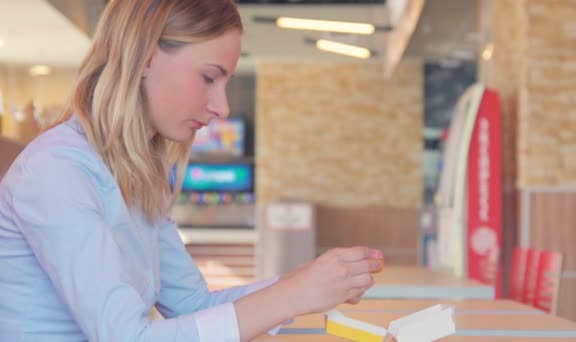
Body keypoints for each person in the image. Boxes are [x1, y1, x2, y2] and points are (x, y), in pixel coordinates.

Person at [0, 0, 384, 341]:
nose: (223, 108)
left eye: (226, 82)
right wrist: (292, 294)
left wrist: (304, 283)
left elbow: (192, 305)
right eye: (209, 77)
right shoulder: (57, 170)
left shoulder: (144, 173)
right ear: (146, 57)